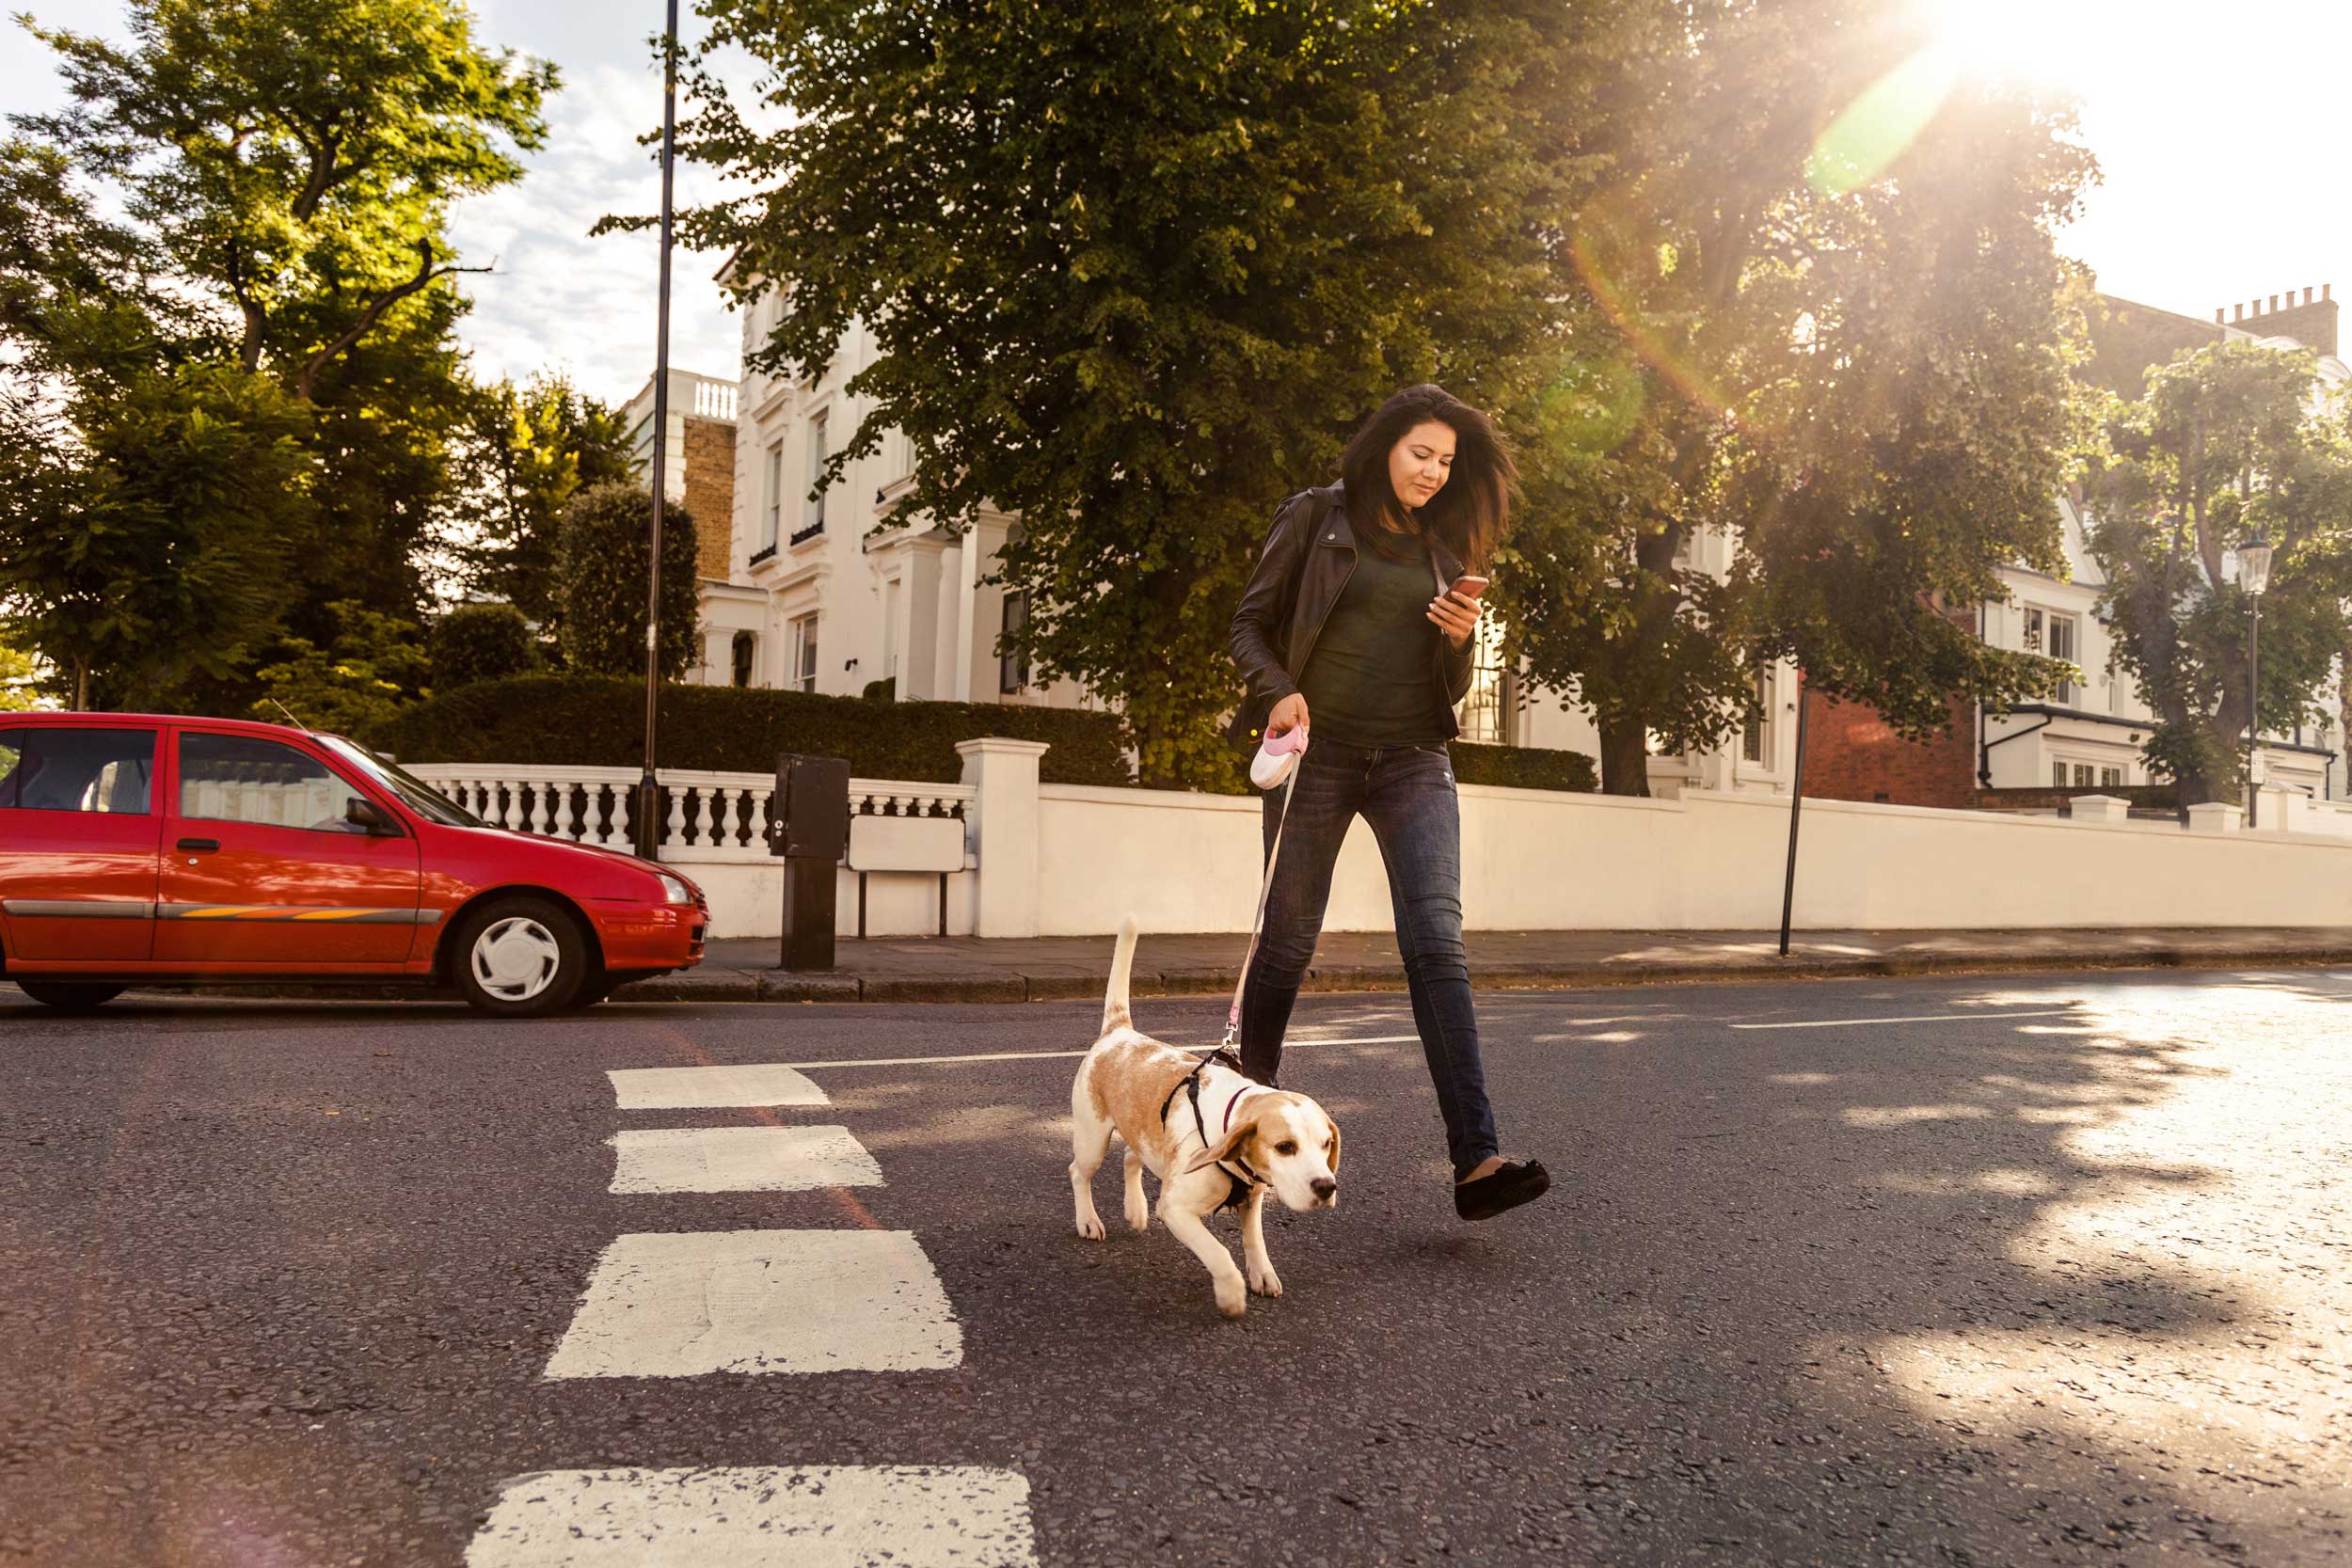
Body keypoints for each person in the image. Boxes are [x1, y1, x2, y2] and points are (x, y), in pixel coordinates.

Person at [1226, 383, 1549, 1222]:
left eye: (1447, 461)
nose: (1436, 473)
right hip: (1318, 753)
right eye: (1422, 454)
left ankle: (1477, 1159)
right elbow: (1248, 626)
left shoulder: (1448, 547)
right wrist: (1280, 690)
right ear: (1384, 447)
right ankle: (1238, 1143)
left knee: (1438, 944)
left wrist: (1459, 639)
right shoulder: (1315, 516)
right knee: (1288, 944)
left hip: (1415, 758)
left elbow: (1450, 685)